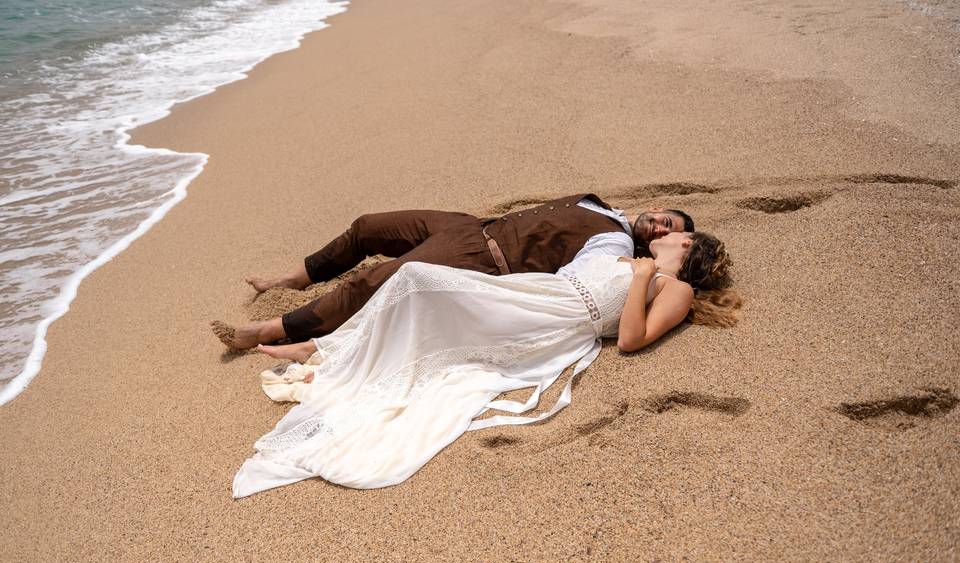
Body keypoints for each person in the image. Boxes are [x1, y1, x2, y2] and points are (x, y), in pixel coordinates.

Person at [232, 230, 738, 498]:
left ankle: (324, 354)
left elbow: (630, 339)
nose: (668, 233)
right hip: (538, 294)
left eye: (677, 234)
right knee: (416, 287)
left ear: (686, 247)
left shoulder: (678, 288)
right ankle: (326, 352)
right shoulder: (633, 258)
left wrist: (641, 278)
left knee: (419, 285)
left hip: (552, 322)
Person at [212, 194, 694, 349]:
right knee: (367, 228)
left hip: (481, 259)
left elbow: (580, 287)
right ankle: (293, 277)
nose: (657, 229)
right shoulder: (598, 203)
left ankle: (270, 331)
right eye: (664, 219)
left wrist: (645, 277)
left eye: (666, 233)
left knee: (374, 280)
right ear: (654, 210)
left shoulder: (613, 243)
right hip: (469, 227)